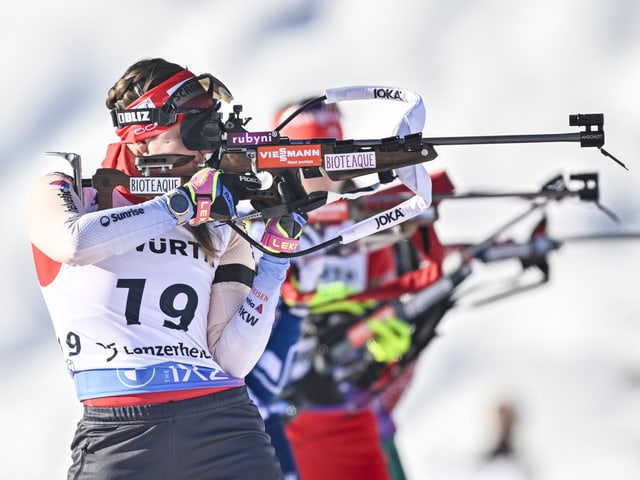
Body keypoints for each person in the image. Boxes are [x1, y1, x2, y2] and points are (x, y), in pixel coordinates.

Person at [27, 57, 306, 480]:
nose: (204, 150)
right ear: (141, 138)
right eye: (193, 132)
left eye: (211, 131)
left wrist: (274, 261)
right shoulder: (71, 190)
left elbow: (232, 359)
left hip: (224, 425)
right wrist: (179, 205)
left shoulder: (216, 220)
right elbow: (73, 242)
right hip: (118, 435)